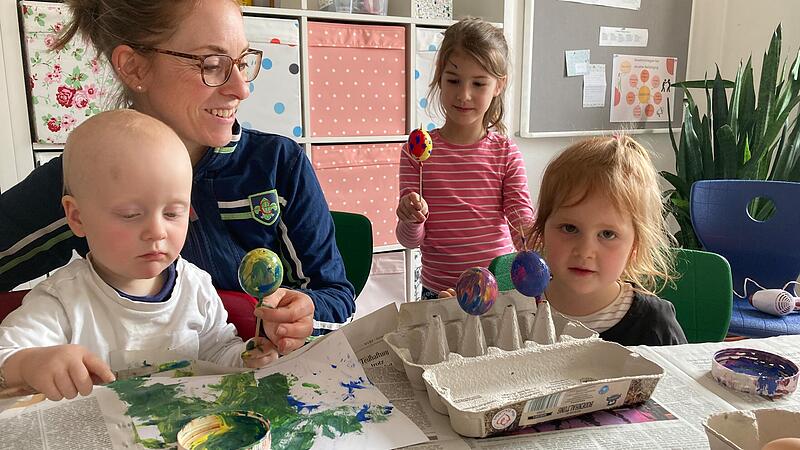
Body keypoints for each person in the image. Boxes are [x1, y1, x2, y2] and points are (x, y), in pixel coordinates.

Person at [0, 0, 355, 354]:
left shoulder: (278, 164)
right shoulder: (88, 174)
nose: (241, 89)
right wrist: (28, 355)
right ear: (134, 68)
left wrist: (306, 316)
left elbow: (336, 297)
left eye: (243, 63)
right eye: (212, 64)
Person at [0, 110, 276, 401]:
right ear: (78, 217)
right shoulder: (62, 300)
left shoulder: (196, 286)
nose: (157, 232)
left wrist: (247, 358)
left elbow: (218, 352)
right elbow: (7, 352)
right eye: (130, 214)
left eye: (173, 213)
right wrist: (31, 363)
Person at [395, 18, 534, 300]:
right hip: (439, 291)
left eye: (479, 83)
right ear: (439, 77)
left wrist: (541, 250)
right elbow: (410, 241)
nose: (464, 94)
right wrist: (411, 219)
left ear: (498, 85)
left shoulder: (505, 151)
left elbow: (521, 222)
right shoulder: (416, 151)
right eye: (454, 80)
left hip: (499, 288)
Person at [529, 135, 687, 346]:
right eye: (570, 228)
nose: (585, 251)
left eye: (607, 234)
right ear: (542, 230)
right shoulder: (520, 309)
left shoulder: (654, 324)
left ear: (636, 245)